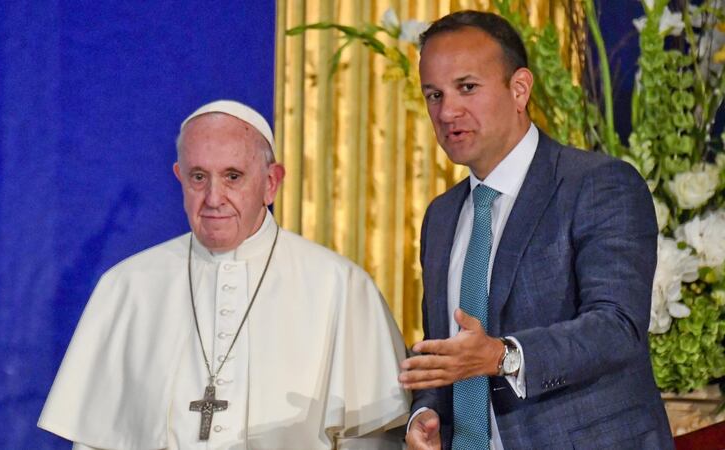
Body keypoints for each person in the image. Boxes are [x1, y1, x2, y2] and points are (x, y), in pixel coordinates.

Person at [38, 100, 410, 449]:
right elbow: (95, 442)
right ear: (180, 178)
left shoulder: (341, 287)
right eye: (199, 177)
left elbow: (373, 440)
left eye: (233, 176)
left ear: (271, 182)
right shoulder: (127, 287)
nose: (214, 198)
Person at [398, 11, 674, 450]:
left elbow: (617, 327)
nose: (447, 111)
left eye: (467, 87)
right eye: (434, 94)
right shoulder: (441, 216)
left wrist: (502, 356)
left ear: (519, 88)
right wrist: (427, 412)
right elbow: (448, 354)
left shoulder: (597, 184)